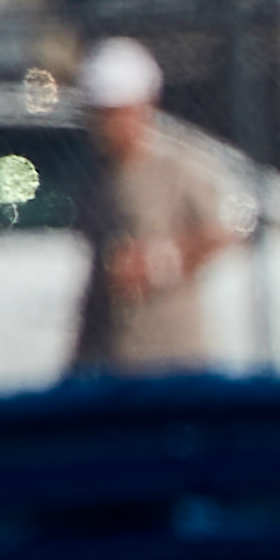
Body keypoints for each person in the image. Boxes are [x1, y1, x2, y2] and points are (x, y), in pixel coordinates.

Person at [62, 35, 243, 377]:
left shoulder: (179, 166)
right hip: (114, 360)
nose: (107, 126)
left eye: (117, 113)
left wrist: (157, 264)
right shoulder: (97, 178)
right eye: (99, 114)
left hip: (174, 357)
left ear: (145, 106)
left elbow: (220, 234)